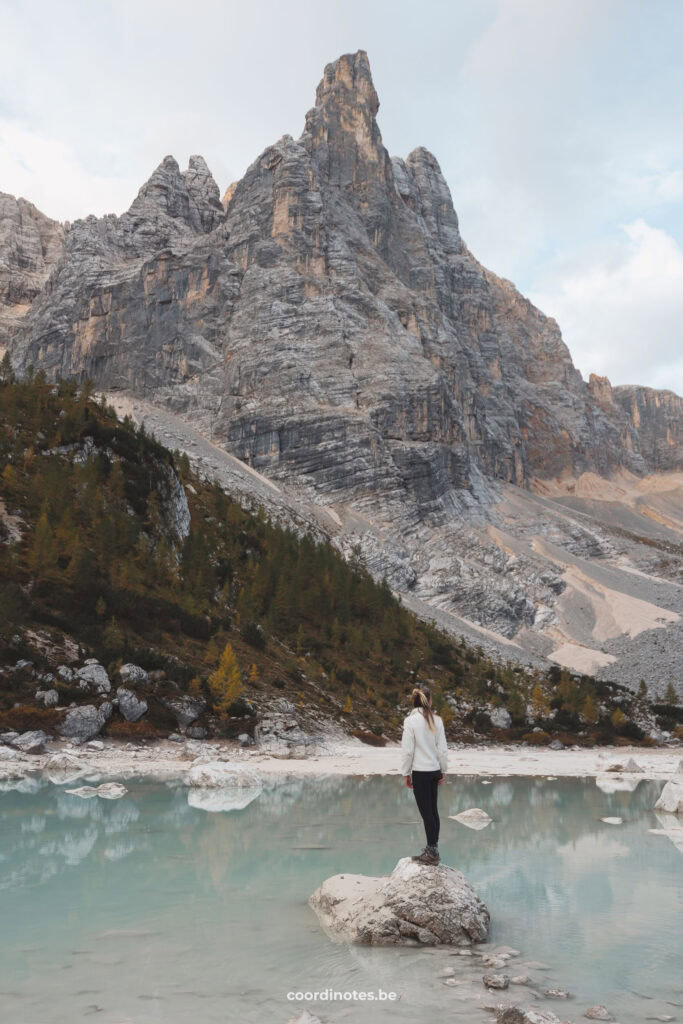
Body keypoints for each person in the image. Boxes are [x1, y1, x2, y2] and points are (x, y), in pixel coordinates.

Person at [400, 686, 448, 865]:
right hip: (434, 771)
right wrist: (443, 769)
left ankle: (431, 852)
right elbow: (442, 750)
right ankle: (433, 848)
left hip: (420, 772)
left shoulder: (410, 721)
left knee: (426, 813)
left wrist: (406, 773)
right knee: (434, 812)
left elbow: (407, 751)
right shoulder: (437, 720)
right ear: (429, 701)